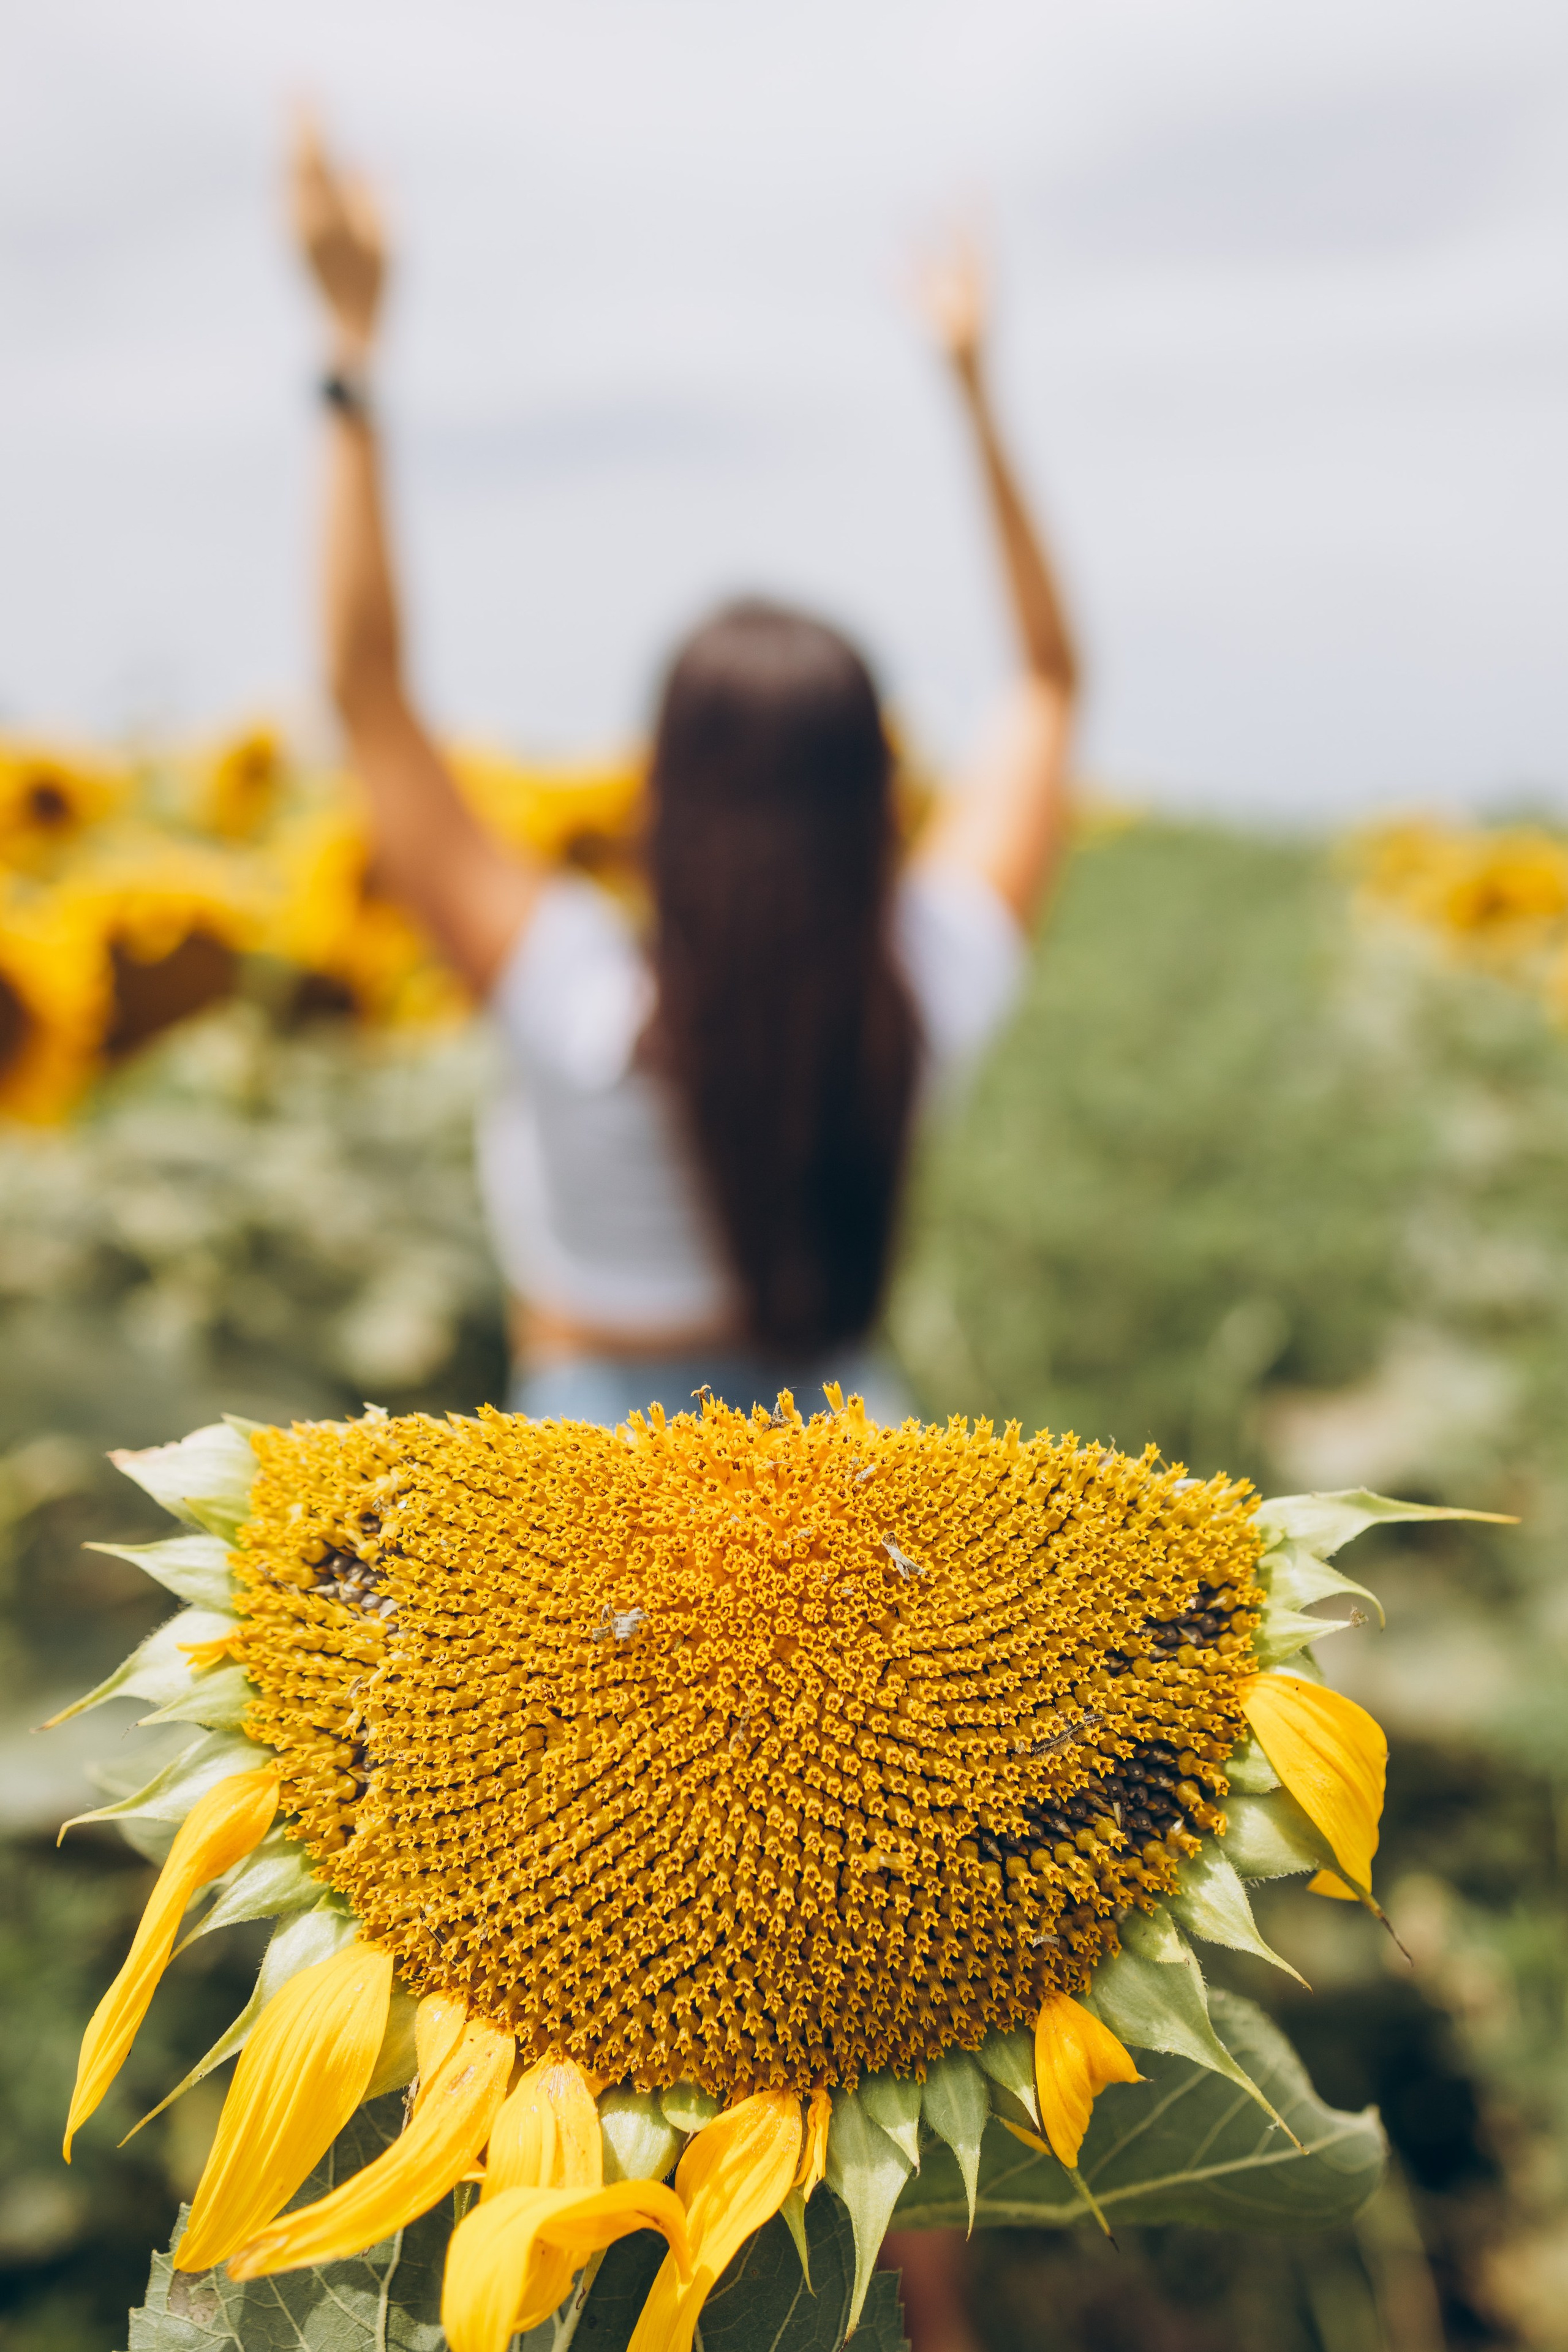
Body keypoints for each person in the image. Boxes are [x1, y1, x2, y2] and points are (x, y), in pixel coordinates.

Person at [290, 123, 1077, 2352]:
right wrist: (978, 393)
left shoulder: (580, 1002)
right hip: (869, 1494)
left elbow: (367, 703)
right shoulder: (934, 976)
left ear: (652, 796)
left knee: (579, 2028)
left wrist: (353, 357)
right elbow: (1049, 692)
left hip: (590, 1513)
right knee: (884, 2017)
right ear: (872, 807)